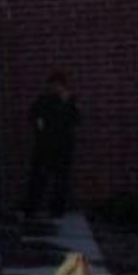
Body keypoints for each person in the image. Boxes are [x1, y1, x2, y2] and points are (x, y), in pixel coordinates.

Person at [24, 71, 81, 218]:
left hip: (62, 145)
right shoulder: (43, 100)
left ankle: (56, 209)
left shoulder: (70, 101)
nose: (54, 88)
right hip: (46, 144)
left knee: (60, 179)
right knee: (39, 177)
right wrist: (40, 127)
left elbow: (76, 119)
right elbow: (34, 116)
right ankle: (32, 207)